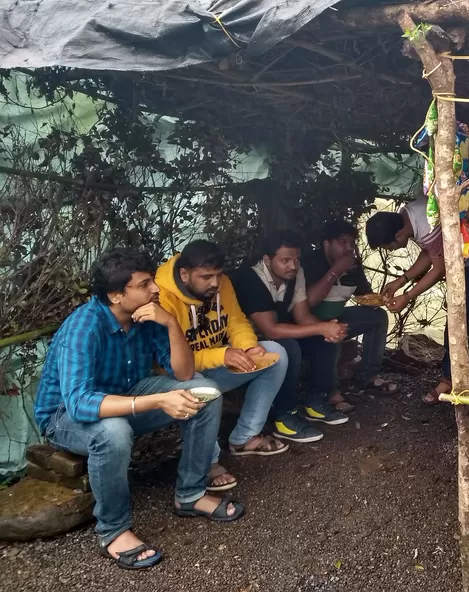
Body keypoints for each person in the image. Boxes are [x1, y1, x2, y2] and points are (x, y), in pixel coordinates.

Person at [34, 248, 243, 571]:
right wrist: (158, 401)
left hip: (126, 394)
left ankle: (190, 494)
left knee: (206, 394)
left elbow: (184, 375)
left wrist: (172, 324)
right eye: (145, 284)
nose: (156, 289)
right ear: (116, 295)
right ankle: (113, 530)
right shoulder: (84, 327)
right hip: (64, 417)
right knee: (113, 431)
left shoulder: (149, 315)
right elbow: (79, 401)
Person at [157, 242, 317, 471]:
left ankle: (245, 437)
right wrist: (222, 355)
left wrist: (249, 346)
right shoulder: (163, 298)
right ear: (184, 274)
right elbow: (173, 363)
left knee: (276, 354)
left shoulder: (222, 284)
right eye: (206, 277)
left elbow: (236, 321)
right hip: (177, 377)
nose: (215, 283)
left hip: (217, 361)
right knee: (199, 384)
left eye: (218, 275)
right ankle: (207, 462)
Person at [365, 199, 469, 405]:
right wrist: (400, 281)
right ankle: (457, 377)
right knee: (460, 320)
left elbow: (438, 269)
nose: (391, 251)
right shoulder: (406, 215)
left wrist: (406, 296)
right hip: (468, 252)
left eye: (389, 247)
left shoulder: (425, 224)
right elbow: (431, 252)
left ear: (398, 235)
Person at [231, 230, 351, 427]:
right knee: (289, 347)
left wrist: (329, 330)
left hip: (276, 334)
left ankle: (315, 402)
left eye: (296, 259)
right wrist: (321, 327)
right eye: (285, 260)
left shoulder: (296, 274)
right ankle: (283, 415)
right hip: (250, 344)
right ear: (268, 260)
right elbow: (271, 330)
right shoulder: (250, 279)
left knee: (323, 340)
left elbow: (302, 316)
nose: (293, 266)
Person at [304, 220, 397, 400]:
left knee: (377, 318)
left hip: (337, 317)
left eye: (352, 243)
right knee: (333, 334)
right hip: (310, 324)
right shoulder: (311, 263)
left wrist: (383, 300)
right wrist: (336, 271)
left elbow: (367, 296)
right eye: (342, 242)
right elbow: (310, 301)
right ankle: (330, 391)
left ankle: (368, 376)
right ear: (327, 244)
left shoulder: (353, 268)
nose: (348, 248)